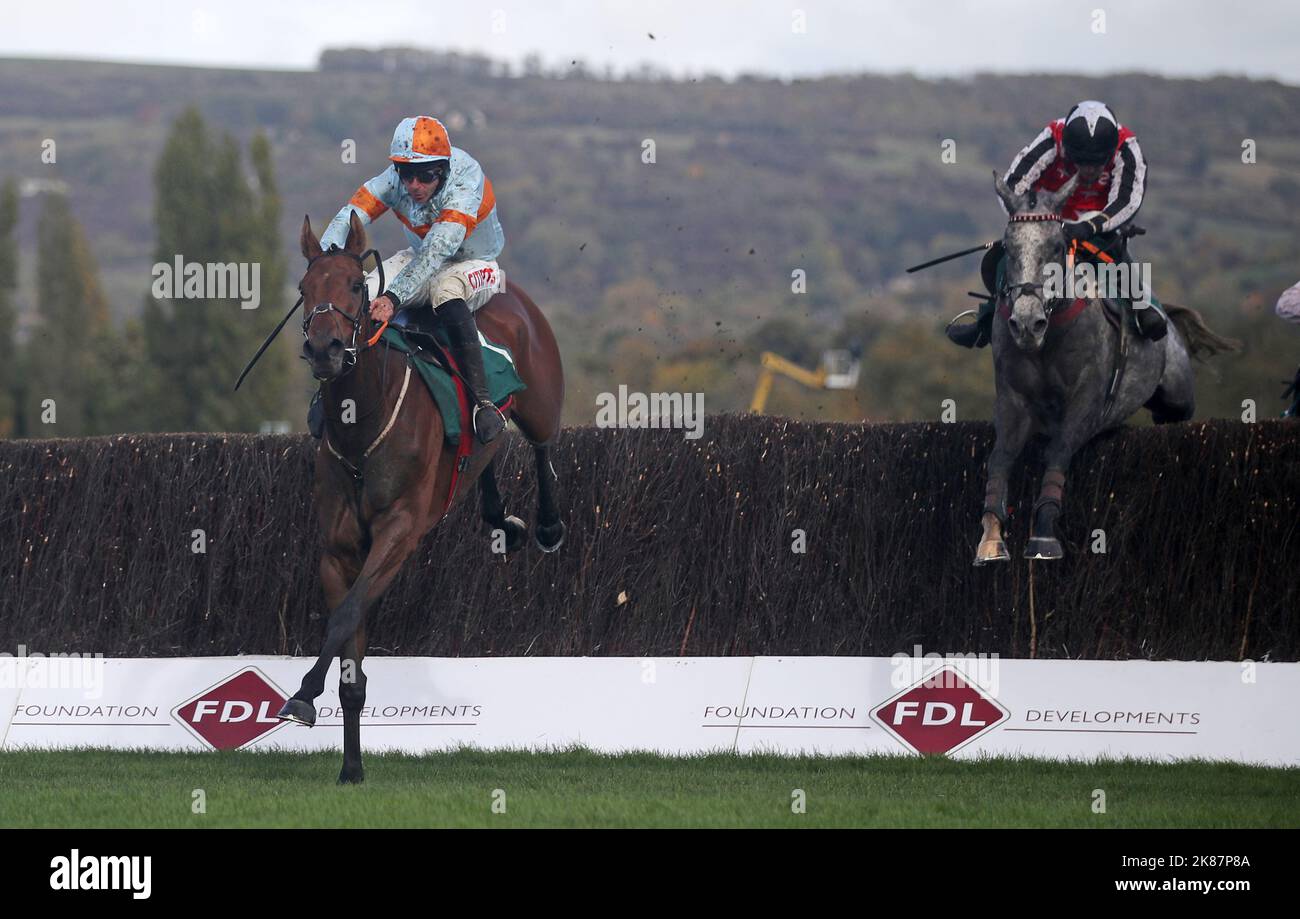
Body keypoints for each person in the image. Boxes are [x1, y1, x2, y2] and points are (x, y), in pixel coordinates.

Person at [309, 115, 508, 443]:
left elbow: (436, 251)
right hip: (419, 256)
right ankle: (330, 389)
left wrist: (394, 298)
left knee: (445, 290)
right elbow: (351, 215)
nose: (413, 184)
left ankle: (483, 402)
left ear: (442, 170)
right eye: (406, 173)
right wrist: (326, 259)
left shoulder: (466, 178)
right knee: (362, 292)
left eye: (425, 175)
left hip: (473, 262)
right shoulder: (395, 179)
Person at [948, 100, 1166, 348]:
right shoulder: (1053, 137)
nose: (1088, 171)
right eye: (1081, 162)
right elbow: (1013, 186)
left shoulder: (1127, 148)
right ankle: (986, 322)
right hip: (1046, 218)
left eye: (1096, 164)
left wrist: (1091, 225)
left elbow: (1128, 200)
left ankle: (1141, 306)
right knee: (1007, 257)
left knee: (1114, 254)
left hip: (1097, 222)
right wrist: (1033, 218)